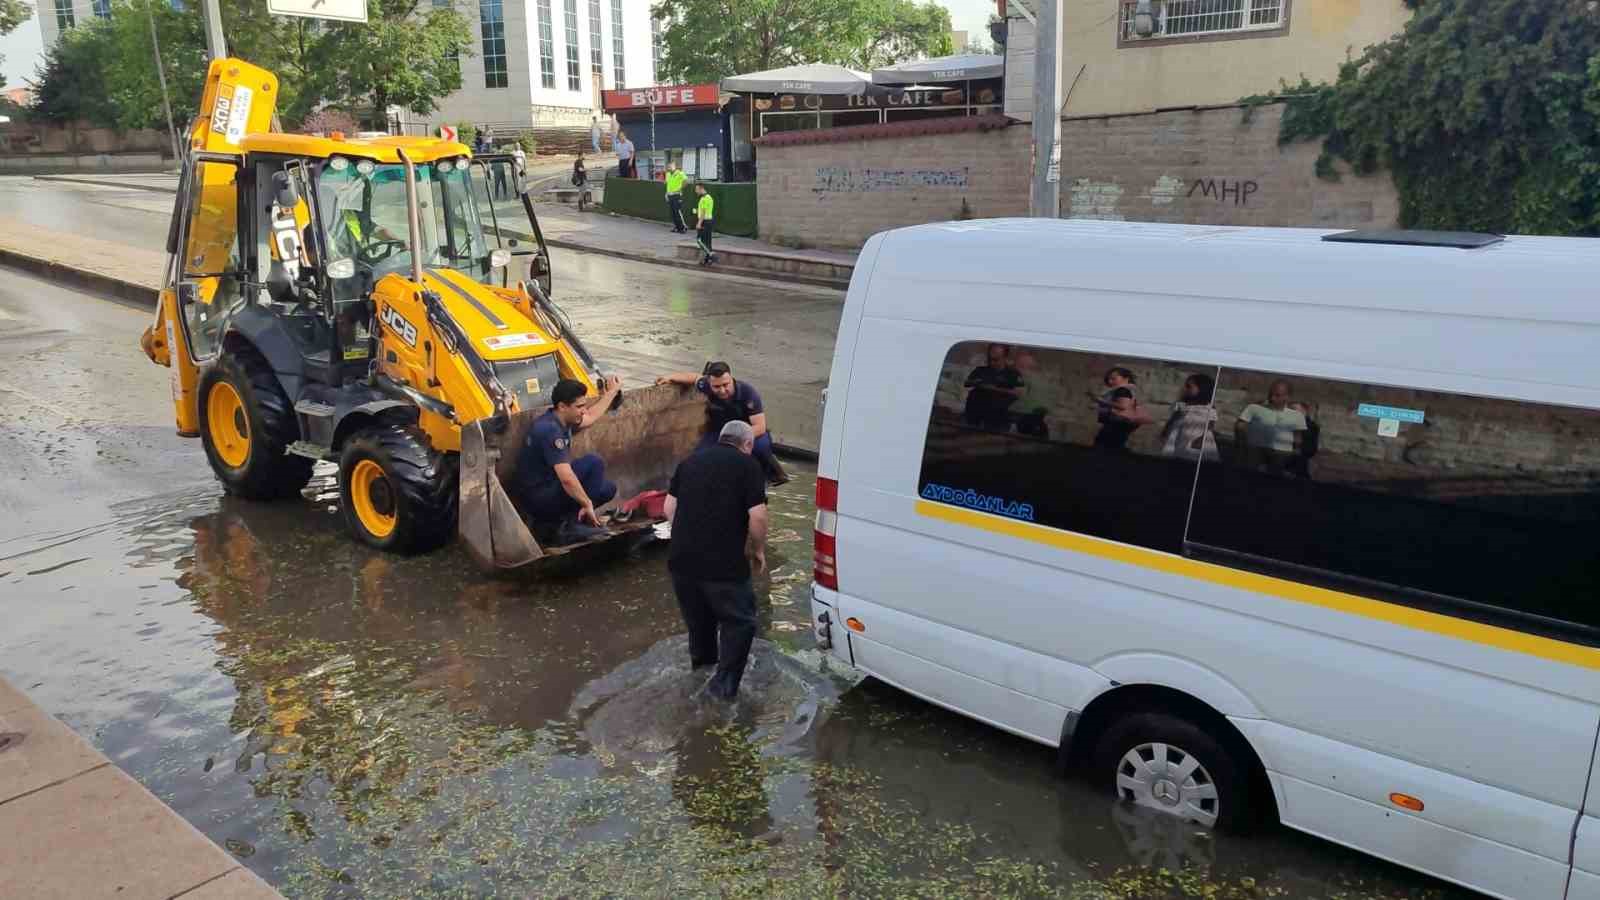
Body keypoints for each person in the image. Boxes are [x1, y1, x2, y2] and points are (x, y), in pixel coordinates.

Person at [664, 420, 770, 700]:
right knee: (740, 622)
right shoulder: (749, 466)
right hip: (723, 566)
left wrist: (690, 535)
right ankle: (721, 691)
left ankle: (700, 672)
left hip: (681, 563)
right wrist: (758, 550)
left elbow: (668, 508)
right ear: (747, 444)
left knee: (700, 624)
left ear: (721, 438)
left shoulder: (690, 462)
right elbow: (758, 517)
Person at [516, 376, 625, 544]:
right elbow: (566, 478)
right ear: (562, 406)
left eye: (584, 405)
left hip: (551, 487)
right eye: (579, 406)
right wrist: (587, 504)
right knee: (593, 462)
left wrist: (611, 393)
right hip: (538, 497)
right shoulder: (548, 429)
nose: (583, 411)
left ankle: (559, 522)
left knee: (608, 489)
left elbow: (591, 416)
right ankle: (568, 526)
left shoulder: (563, 419)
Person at [657, 362, 788, 485]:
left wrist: (735, 440)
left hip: (749, 431)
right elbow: (693, 377)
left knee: (761, 447)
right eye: (717, 387)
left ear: (731, 379)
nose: (723, 390)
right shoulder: (706, 385)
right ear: (710, 383)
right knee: (699, 458)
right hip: (719, 432)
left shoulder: (748, 393)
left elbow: (760, 427)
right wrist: (670, 377)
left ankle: (774, 473)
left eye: (726, 385)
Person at [1235, 379, 1307, 473]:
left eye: (1277, 395)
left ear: (1287, 397)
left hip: (1282, 453)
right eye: (1271, 394)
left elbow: (1298, 436)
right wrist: (1242, 444)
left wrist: (1296, 452)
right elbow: (1240, 426)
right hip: (1255, 450)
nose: (1272, 398)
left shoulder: (1297, 416)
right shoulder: (1254, 408)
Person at [962, 343, 1024, 431]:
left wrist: (992, 388)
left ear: (1005, 358)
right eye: (989, 359)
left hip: (998, 418)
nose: (992, 362)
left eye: (996, 360)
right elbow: (967, 383)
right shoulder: (981, 370)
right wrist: (977, 383)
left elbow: (1018, 393)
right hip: (974, 415)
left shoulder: (1012, 374)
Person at [1160, 372, 1220, 462]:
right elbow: (1173, 418)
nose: (1186, 389)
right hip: (1180, 434)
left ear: (1202, 389)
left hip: (1198, 437)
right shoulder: (1182, 404)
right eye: (1186, 386)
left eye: (1189, 386)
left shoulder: (1209, 407)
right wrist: (1165, 432)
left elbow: (1211, 424)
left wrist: (1202, 438)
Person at [1090, 366, 1153, 450]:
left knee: (1104, 444)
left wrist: (1101, 401)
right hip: (1124, 422)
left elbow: (1123, 406)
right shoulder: (1130, 389)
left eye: (1113, 378)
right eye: (1109, 379)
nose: (1110, 381)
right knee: (1114, 444)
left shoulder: (1123, 390)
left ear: (1126, 378)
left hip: (1118, 422)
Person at [1285, 400, 1320, 478]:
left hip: (1300, 464)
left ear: (1304, 411)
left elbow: (1311, 449)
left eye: (1295, 410)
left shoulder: (1311, 427)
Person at [692, 182, 716, 265]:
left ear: (701, 188)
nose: (696, 191)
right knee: (707, 241)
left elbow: (703, 212)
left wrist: (699, 223)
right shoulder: (707, 197)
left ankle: (712, 255)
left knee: (700, 241)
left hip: (705, 222)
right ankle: (707, 259)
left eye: (696, 189)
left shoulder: (705, 198)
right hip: (709, 221)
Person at [664, 162, 688, 233]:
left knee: (677, 211)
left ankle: (683, 227)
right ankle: (676, 227)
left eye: (670, 166)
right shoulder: (668, 174)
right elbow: (668, 184)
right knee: (672, 212)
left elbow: (686, 181)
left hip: (677, 195)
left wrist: (680, 189)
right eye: (668, 166)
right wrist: (666, 194)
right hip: (670, 195)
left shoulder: (680, 173)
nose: (669, 167)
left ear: (675, 166)